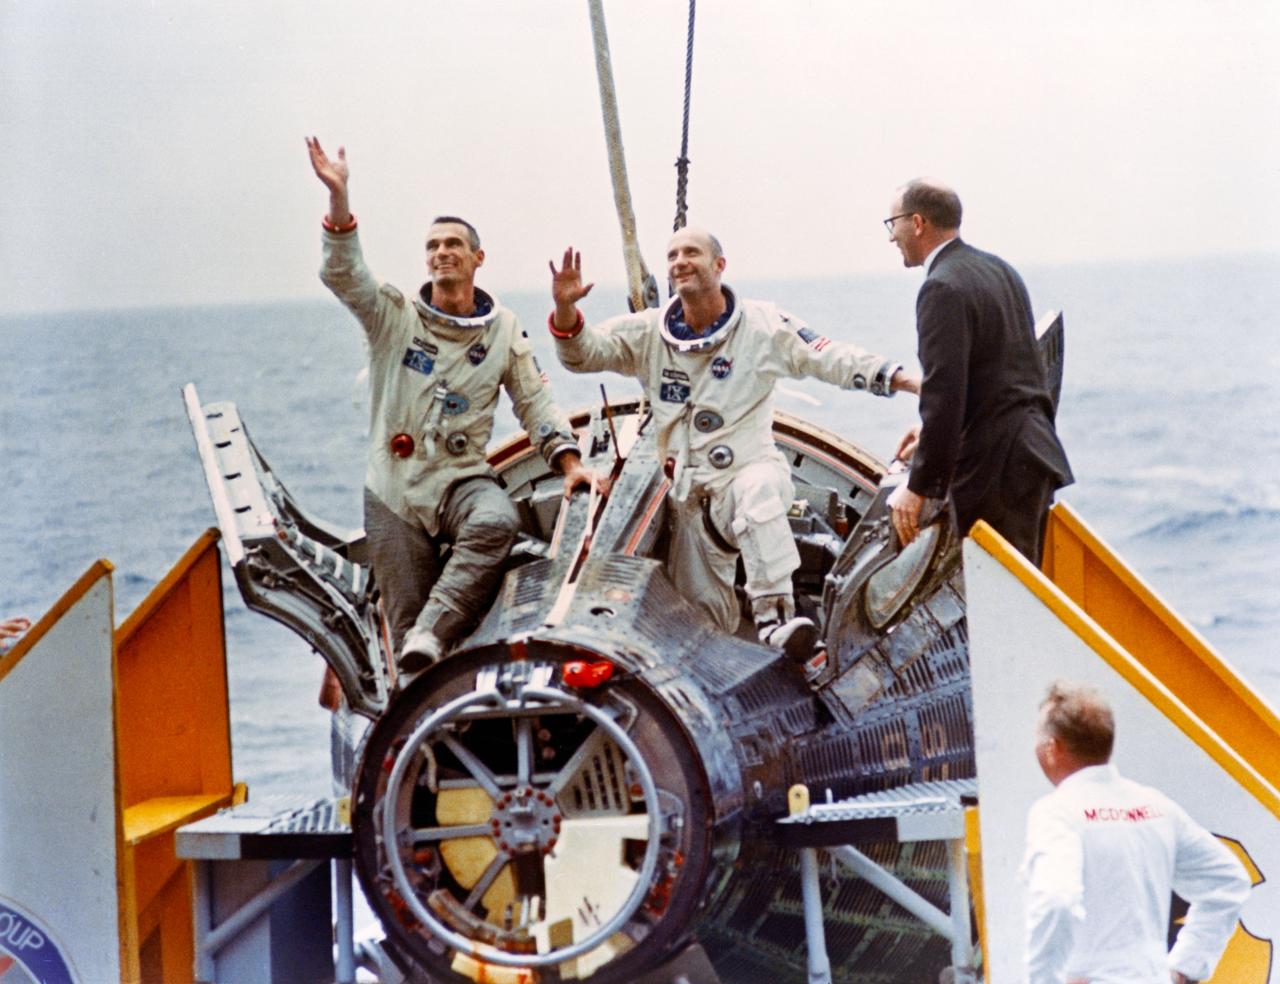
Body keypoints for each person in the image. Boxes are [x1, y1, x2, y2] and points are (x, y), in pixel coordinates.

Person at [547, 229, 919, 657]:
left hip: (746, 473)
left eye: (692, 253)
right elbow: (583, 354)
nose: (680, 261)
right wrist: (565, 310)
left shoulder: (762, 326)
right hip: (688, 499)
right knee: (705, 623)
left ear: (719, 266)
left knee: (757, 492)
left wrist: (906, 380)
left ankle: (776, 618)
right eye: (672, 255)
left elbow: (830, 357)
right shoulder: (650, 333)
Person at [307, 137, 598, 673]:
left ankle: (430, 633)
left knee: (496, 521)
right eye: (433, 245)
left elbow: (534, 403)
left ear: (476, 259)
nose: (441, 252)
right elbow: (345, 276)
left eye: (453, 244)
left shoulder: (503, 330)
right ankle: (420, 670)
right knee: (408, 635)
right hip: (395, 487)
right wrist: (339, 198)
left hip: (461, 480)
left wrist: (571, 463)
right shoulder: (396, 317)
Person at [884, 179, 1072, 566]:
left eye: (893, 224)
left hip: (997, 471)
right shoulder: (1000, 270)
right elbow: (1004, 373)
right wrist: (930, 436)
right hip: (1032, 456)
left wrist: (917, 488)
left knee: (1006, 600)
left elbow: (944, 396)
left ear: (917, 222)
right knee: (1023, 591)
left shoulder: (940, 288)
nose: (892, 238)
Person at [1023, 680, 1251, 983]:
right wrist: (1184, 967)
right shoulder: (1156, 807)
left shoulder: (1057, 813)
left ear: (1053, 748)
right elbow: (1229, 880)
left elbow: (1057, 899)